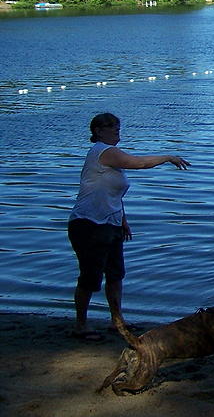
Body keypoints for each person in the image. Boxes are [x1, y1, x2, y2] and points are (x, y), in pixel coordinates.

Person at [68, 112, 191, 341]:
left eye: (118, 125)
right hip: (88, 224)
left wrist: (122, 221)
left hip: (110, 223)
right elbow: (140, 163)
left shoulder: (112, 158)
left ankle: (117, 321)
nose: (116, 129)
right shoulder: (103, 152)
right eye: (110, 126)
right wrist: (168, 157)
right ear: (97, 131)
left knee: (115, 275)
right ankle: (81, 325)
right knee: (90, 277)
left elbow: (112, 193)